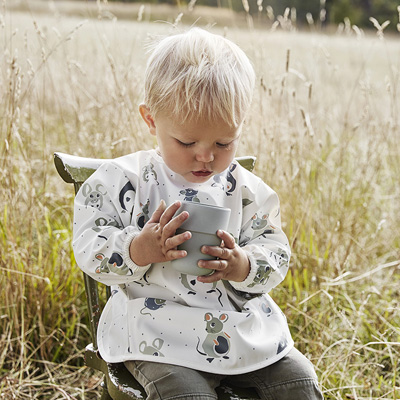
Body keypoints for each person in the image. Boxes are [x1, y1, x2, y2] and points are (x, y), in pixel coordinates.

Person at [73, 28, 323, 400]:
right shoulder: (124, 181)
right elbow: (89, 246)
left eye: (224, 143)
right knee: (186, 395)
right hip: (155, 333)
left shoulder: (248, 190)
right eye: (187, 142)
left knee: (299, 383)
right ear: (151, 120)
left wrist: (242, 265)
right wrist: (139, 248)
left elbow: (276, 252)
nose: (205, 156)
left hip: (240, 330)